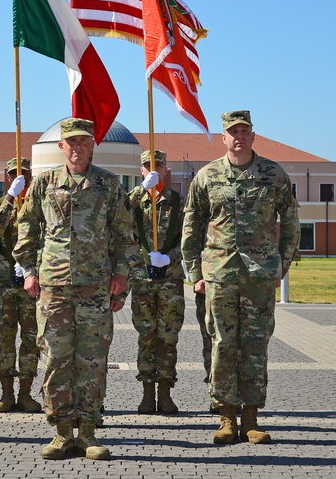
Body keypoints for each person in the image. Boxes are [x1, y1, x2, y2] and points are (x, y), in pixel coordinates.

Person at [13, 117, 134, 461]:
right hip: (53, 287)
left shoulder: (108, 185)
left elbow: (126, 235)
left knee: (92, 361)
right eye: (72, 142)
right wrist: (30, 271)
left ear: (93, 144)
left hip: (95, 287)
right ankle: (62, 433)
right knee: (55, 359)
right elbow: (27, 229)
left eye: (84, 141)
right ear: (61, 146)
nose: (78, 147)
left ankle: (90, 432)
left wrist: (122, 277)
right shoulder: (45, 183)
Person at [183, 110, 299, 445]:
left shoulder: (273, 175)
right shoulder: (206, 177)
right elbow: (191, 228)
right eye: (233, 132)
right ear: (223, 137)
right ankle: (225, 418)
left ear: (253, 135)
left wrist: (282, 265)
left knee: (255, 346)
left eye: (244, 131)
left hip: (258, 276)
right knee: (221, 345)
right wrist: (195, 273)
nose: (239, 137)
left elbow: (291, 223)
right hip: (220, 274)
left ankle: (251, 419)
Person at [0, 157, 42, 413]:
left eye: (24, 173)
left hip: (31, 279)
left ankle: (26, 393)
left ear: (30, 175)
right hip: (4, 282)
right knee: (6, 338)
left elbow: (48, 236)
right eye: (14, 173)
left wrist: (32, 265)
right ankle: (6, 394)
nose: (20, 176)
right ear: (8, 177)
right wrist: (9, 197)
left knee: (30, 338)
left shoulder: (38, 203)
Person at [128, 149, 185, 415]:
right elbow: (117, 216)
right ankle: (146, 395)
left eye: (158, 165)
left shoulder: (178, 201)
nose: (153, 169)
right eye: (147, 166)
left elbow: (189, 239)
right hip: (142, 278)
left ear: (165, 169)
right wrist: (142, 190)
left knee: (168, 337)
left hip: (170, 278)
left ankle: (166, 394)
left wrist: (170, 257)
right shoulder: (135, 200)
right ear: (141, 170)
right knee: (146, 336)